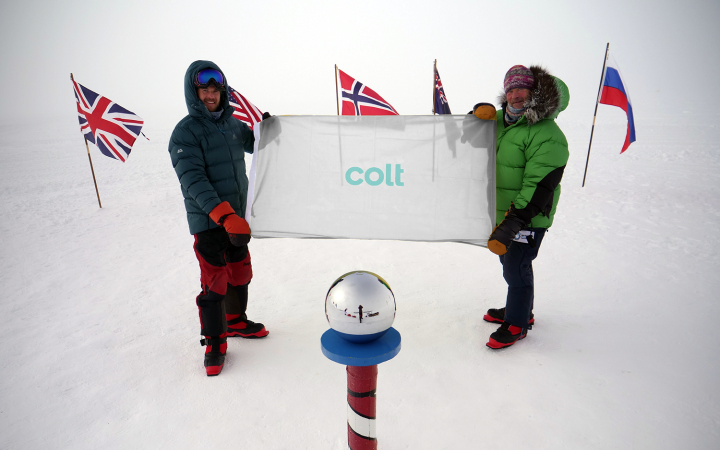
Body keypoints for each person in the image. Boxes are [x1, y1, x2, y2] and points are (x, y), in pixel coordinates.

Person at [168, 60, 270, 376]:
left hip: (237, 219)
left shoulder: (232, 124)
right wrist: (224, 215)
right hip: (210, 222)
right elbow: (193, 179)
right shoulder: (185, 132)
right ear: (194, 91)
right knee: (216, 283)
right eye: (204, 89)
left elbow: (257, 145)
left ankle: (237, 321)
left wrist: (268, 130)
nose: (211, 95)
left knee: (240, 273)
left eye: (215, 89)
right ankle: (215, 342)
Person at [476, 64, 569, 349]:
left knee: (516, 266)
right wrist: (471, 122)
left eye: (521, 88)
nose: (515, 94)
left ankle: (517, 323)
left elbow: (539, 183)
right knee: (508, 262)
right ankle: (520, 308)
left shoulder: (546, 133)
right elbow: (469, 143)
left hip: (527, 215)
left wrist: (516, 219)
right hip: (502, 211)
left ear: (534, 91)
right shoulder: (502, 123)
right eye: (510, 89)